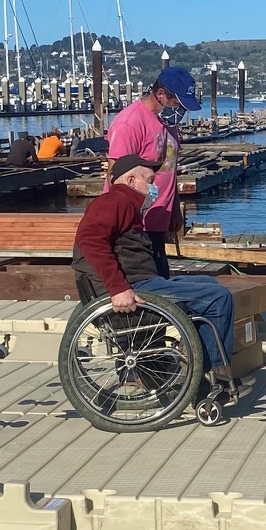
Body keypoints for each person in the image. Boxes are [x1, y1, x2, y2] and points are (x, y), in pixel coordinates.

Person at [73, 154, 237, 381]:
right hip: (134, 287)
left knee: (209, 284)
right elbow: (90, 239)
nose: (153, 187)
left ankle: (197, 362)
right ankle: (208, 375)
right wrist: (118, 288)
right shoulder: (114, 201)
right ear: (131, 181)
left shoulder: (127, 205)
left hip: (143, 282)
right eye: (149, 181)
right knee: (218, 298)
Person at [105, 66, 200, 278]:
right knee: (145, 285)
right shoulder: (129, 123)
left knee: (162, 280)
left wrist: (174, 209)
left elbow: (169, 169)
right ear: (160, 94)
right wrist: (130, 224)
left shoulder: (168, 123)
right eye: (178, 104)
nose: (181, 111)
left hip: (159, 219)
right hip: (134, 225)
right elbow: (116, 178)